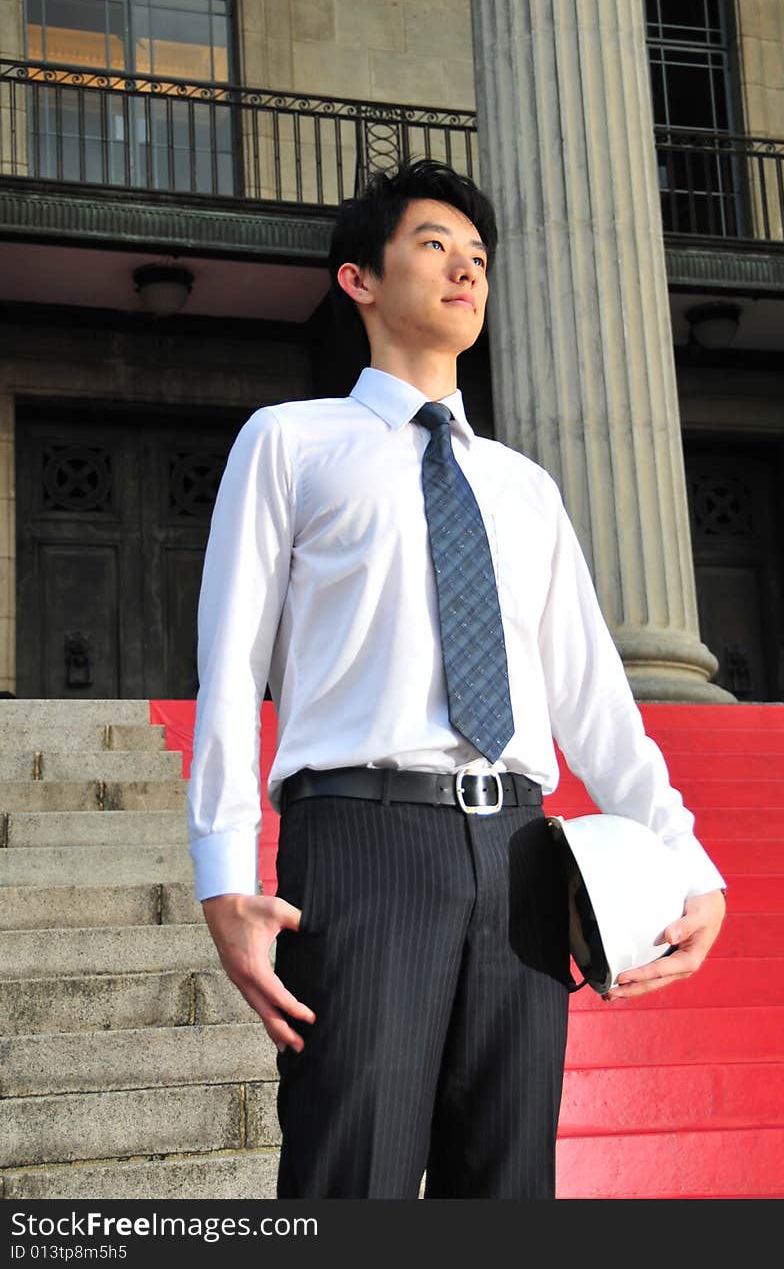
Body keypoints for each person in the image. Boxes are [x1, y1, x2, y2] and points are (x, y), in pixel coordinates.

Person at [187, 158, 727, 1201]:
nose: (465, 271)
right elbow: (228, 663)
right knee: (355, 1172)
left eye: (478, 257)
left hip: (525, 855)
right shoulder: (292, 442)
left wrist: (685, 855)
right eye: (435, 246)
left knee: (507, 1183)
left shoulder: (525, 488)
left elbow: (592, 700)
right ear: (360, 280)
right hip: (361, 844)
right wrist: (222, 873)